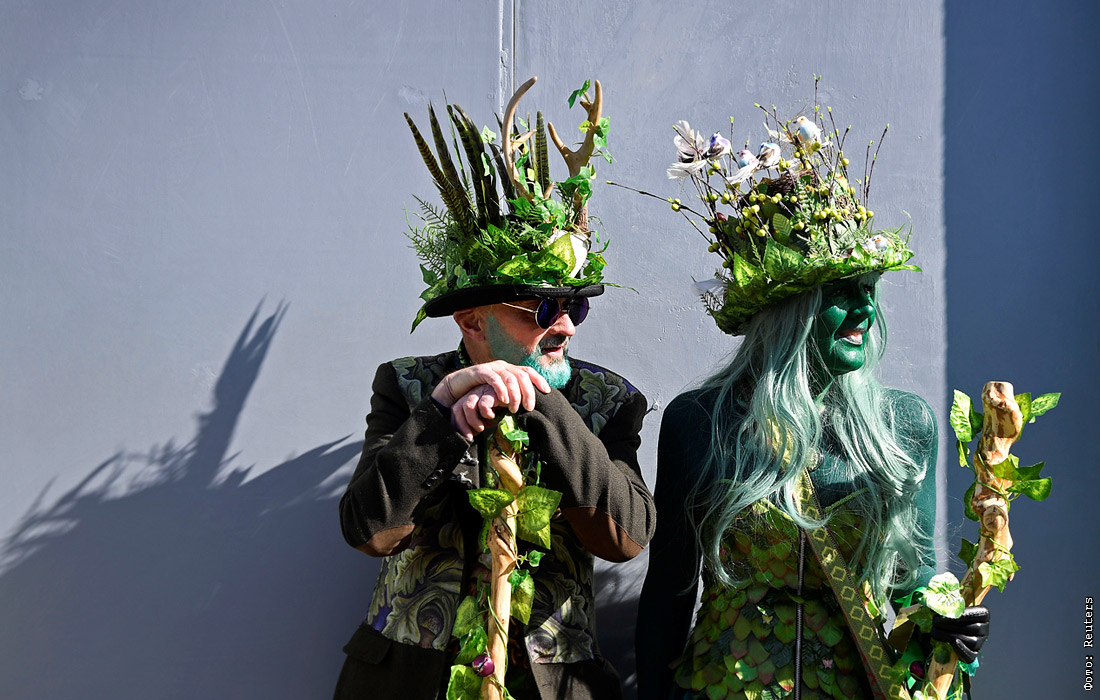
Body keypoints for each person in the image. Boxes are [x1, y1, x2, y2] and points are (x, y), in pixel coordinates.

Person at [635, 103, 988, 699]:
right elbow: (670, 589)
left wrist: (945, 616)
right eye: (842, 292)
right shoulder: (701, 422)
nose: (866, 310)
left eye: (870, 290)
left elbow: (912, 579)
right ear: (788, 309)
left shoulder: (905, 426)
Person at [335, 78, 655, 700]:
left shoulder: (610, 402)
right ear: (472, 320)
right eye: (542, 309)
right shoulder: (407, 386)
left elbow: (627, 536)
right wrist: (440, 416)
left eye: (574, 307)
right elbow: (368, 529)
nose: (565, 325)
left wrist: (547, 407)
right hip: (411, 682)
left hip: (552, 684)